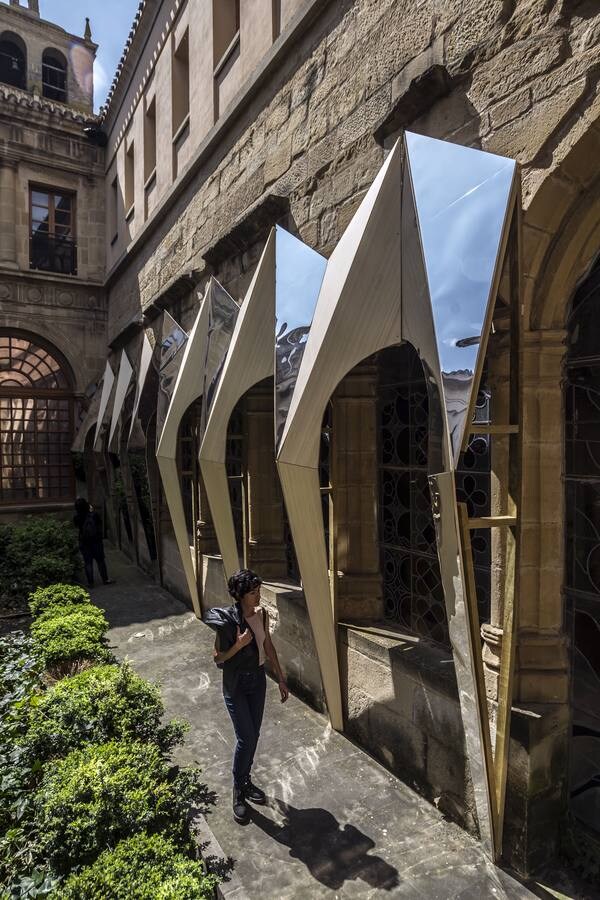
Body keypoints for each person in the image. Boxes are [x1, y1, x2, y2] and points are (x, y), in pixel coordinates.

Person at [204, 568, 289, 824]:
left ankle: (246, 780)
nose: (258, 596)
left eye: (258, 591)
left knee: (254, 735)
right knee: (246, 737)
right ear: (241, 596)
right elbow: (218, 658)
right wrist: (238, 645)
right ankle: (238, 790)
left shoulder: (261, 614)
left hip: (258, 681)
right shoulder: (228, 621)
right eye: (253, 593)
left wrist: (281, 678)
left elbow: (267, 645)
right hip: (236, 684)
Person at [73, 498, 114, 587]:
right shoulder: (94, 515)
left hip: (84, 542)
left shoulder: (77, 517)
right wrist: (91, 511)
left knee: (88, 562)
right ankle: (105, 579)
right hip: (96, 541)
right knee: (100, 561)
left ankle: (91, 583)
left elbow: (77, 527)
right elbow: (99, 523)